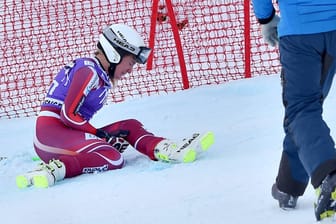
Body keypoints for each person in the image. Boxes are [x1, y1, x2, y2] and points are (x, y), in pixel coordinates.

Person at [16, 23, 214, 189]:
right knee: (112, 157)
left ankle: (164, 148)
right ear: (115, 54)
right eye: (130, 62)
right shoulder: (89, 70)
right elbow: (68, 115)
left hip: (62, 135)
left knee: (129, 125)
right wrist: (99, 134)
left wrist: (100, 135)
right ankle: (55, 169)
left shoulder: (97, 74)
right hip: (51, 135)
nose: (130, 70)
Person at [251, 0, 336, 221]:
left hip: (300, 33)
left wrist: (266, 19)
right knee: (305, 112)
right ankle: (288, 186)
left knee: (302, 109)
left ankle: (329, 174)